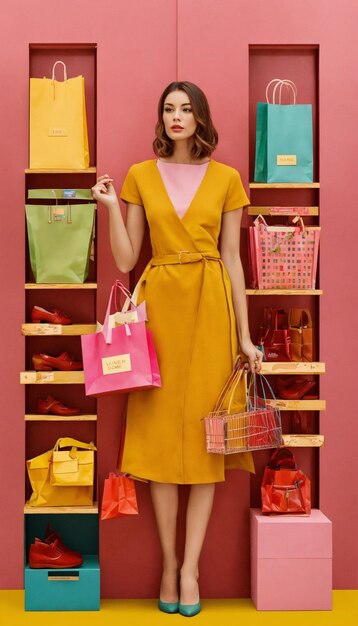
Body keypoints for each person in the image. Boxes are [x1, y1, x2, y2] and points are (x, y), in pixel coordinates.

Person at [91, 81, 263, 617]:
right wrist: (109, 208)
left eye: (186, 109)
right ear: (161, 118)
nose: (177, 117)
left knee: (210, 443)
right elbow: (126, 260)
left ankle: (191, 569)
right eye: (169, 109)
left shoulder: (228, 179)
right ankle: (168, 564)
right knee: (165, 445)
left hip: (211, 312)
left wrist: (244, 334)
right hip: (160, 311)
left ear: (200, 117)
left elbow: (233, 261)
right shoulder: (142, 176)